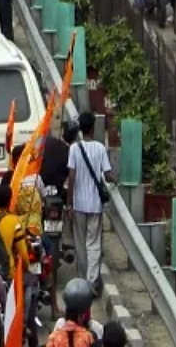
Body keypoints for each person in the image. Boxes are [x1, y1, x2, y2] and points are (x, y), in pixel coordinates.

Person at [66, 110, 111, 295]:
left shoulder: (74, 149)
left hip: (78, 204)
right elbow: (107, 174)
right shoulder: (100, 148)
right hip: (95, 205)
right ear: (93, 127)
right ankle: (92, 282)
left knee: (80, 242)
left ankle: (82, 280)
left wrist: (69, 203)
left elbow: (71, 177)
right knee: (93, 243)